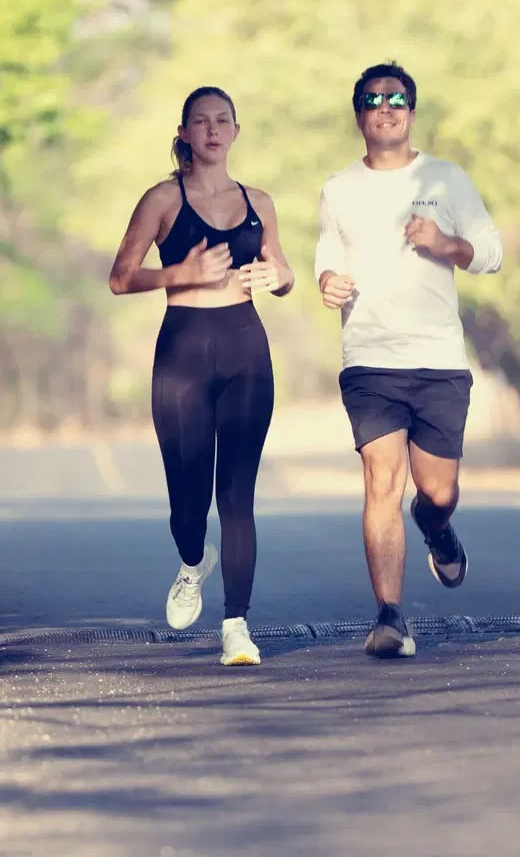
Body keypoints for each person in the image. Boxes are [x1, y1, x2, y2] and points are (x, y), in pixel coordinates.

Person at [313, 62, 505, 660]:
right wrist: (327, 282)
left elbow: (492, 253)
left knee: (437, 490)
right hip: (370, 358)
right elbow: (326, 255)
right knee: (382, 481)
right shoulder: (339, 189)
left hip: (438, 358)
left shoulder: (446, 179)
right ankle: (390, 617)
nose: (386, 107)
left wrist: (444, 243)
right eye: (373, 100)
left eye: (397, 99)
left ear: (412, 112)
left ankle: (439, 528)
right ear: (359, 116)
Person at [108, 85, 295, 667]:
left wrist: (278, 278)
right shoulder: (163, 199)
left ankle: (236, 625)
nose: (212, 130)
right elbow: (120, 278)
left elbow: (284, 271)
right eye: (200, 121)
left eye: (222, 121)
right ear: (185, 133)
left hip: (245, 348)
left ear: (236, 132)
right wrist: (181, 273)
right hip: (184, 351)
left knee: (237, 496)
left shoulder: (259, 201)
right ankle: (193, 563)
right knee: (188, 503)